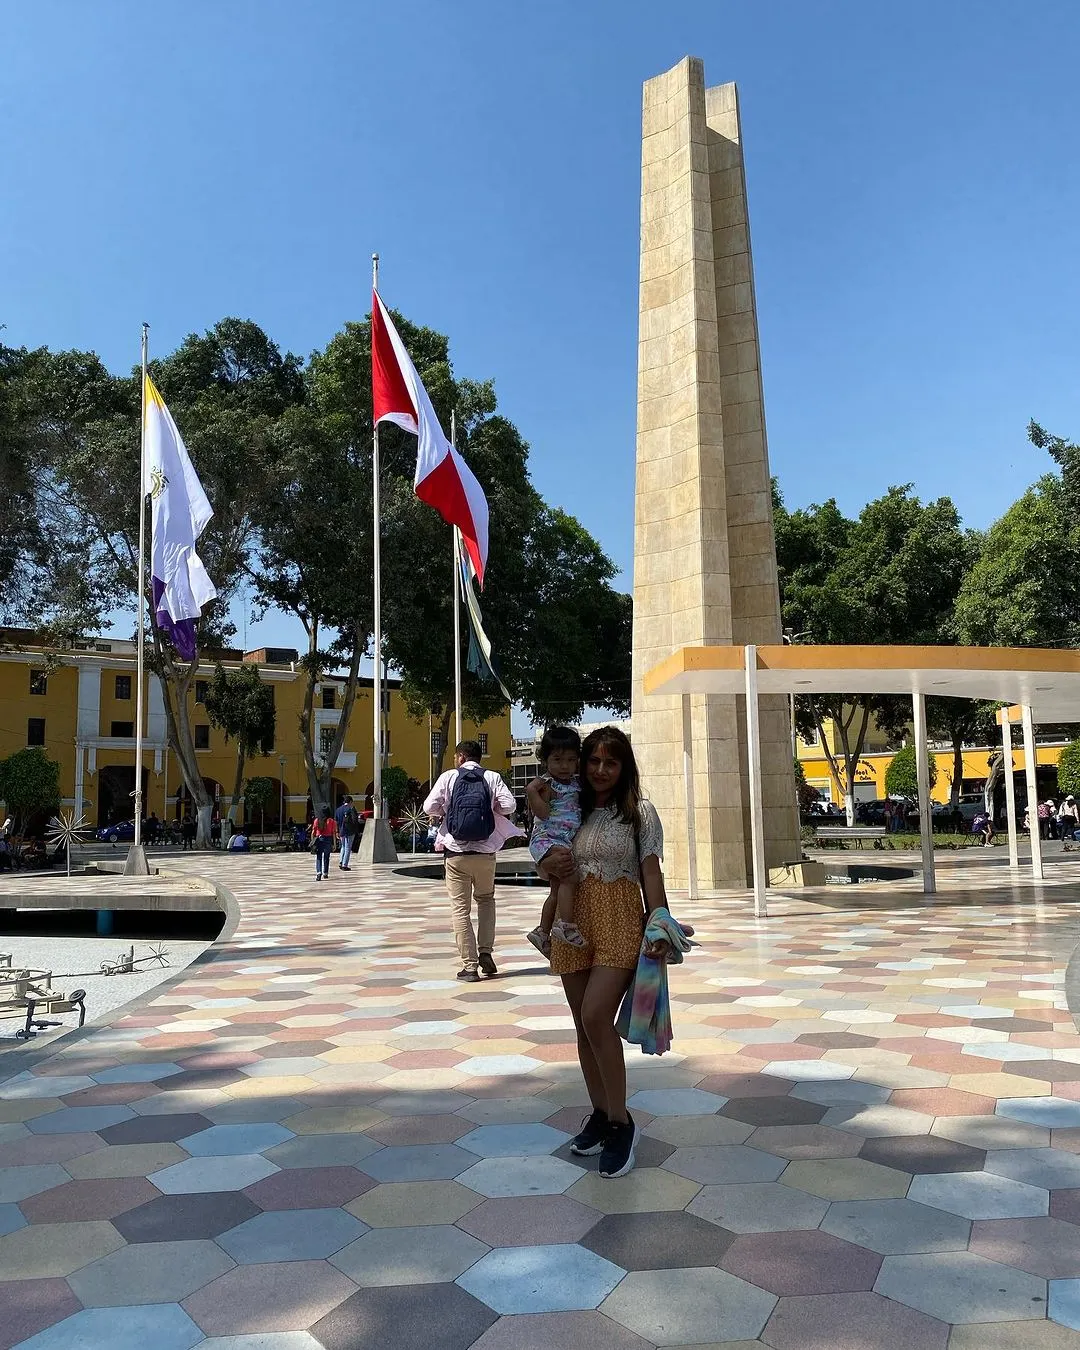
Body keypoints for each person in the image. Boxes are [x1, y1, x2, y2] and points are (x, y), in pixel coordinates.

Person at [544, 726, 672, 1180]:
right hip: (573, 922)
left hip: (620, 918)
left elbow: (651, 874)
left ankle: (622, 1122)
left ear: (625, 767)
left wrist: (660, 921)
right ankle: (600, 1112)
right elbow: (548, 863)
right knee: (583, 1024)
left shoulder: (640, 813)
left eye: (610, 762)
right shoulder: (567, 809)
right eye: (593, 761)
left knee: (597, 1015)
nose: (600, 771)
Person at [423, 739, 521, 982]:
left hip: (456, 854)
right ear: (480, 757)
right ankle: (486, 952)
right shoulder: (491, 777)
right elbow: (510, 804)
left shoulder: (448, 777)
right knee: (486, 900)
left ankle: (469, 966)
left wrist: (446, 811)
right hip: (486, 852)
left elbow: (428, 807)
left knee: (460, 910)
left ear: (460, 757)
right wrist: (491, 810)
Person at [524, 727, 585, 959]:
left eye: (570, 760)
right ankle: (566, 925)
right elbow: (544, 814)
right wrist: (532, 792)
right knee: (569, 874)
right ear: (545, 760)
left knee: (557, 890)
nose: (564, 766)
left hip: (563, 838)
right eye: (557, 760)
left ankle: (542, 931)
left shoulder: (577, 783)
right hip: (549, 838)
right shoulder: (548, 785)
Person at [310, 807, 337, 881]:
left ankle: (319, 872)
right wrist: (334, 844)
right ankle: (325, 872)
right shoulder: (331, 821)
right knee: (326, 857)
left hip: (319, 839)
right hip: (328, 839)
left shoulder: (317, 820)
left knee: (319, 856)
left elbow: (313, 832)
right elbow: (334, 833)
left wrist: (313, 842)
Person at [335, 795, 358, 871]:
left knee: (343, 847)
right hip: (349, 831)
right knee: (348, 848)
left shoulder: (338, 810)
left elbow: (336, 822)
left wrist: (337, 831)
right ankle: (345, 864)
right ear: (350, 802)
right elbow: (355, 820)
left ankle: (341, 862)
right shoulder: (351, 809)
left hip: (341, 831)